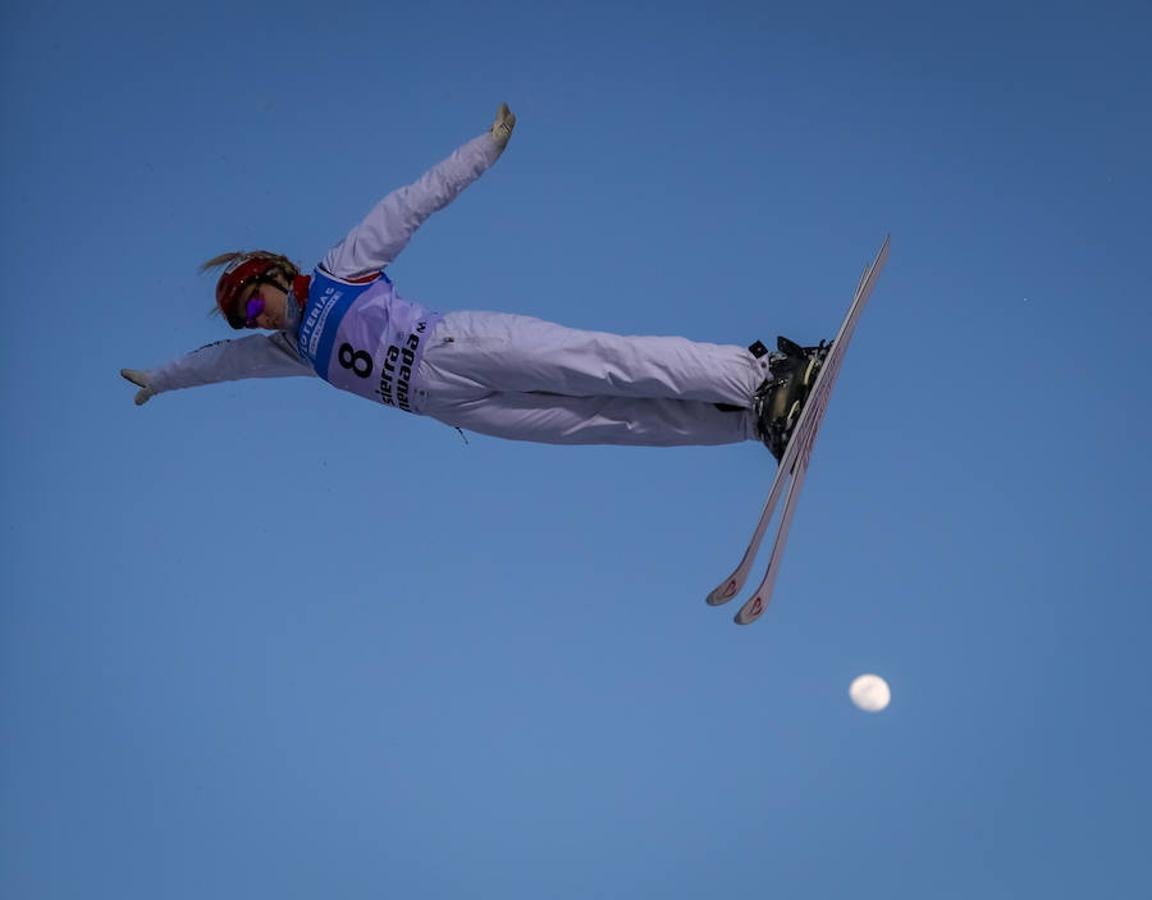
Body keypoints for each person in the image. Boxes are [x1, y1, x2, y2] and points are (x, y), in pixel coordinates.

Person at [121, 104, 825, 458]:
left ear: (274, 274)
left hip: (453, 348)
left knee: (602, 363)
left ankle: (758, 375)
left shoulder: (339, 273)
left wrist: (482, 151)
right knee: (601, 424)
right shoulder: (290, 352)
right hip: (449, 406)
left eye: (253, 301)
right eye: (247, 319)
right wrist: (160, 376)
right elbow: (215, 367)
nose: (258, 319)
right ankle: (750, 420)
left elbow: (411, 202)